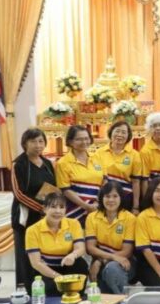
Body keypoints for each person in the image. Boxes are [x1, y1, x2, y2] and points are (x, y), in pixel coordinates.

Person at [11, 127, 56, 287]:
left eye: (41, 141)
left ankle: (46, 288)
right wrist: (41, 208)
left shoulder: (48, 164)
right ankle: (25, 289)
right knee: (26, 255)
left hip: (46, 217)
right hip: (26, 217)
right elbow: (18, 193)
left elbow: (54, 188)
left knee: (44, 253)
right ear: (25, 143)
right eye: (33, 142)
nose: (38, 145)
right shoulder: (19, 164)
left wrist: (51, 209)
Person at [25, 192, 91, 295]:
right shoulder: (32, 230)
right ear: (44, 209)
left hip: (68, 265)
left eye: (61, 207)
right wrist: (59, 278)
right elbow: (36, 263)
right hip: (46, 270)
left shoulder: (74, 224)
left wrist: (72, 255)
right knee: (51, 291)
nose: (58, 211)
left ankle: (78, 296)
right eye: (53, 207)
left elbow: (80, 248)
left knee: (80, 264)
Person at [85, 181, 137, 294]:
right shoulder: (92, 217)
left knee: (112, 269)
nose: (111, 200)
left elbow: (127, 251)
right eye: (107, 196)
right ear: (101, 198)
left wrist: (101, 261)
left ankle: (122, 300)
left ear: (121, 198)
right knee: (104, 294)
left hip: (124, 261)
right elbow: (90, 248)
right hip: (101, 262)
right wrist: (103, 260)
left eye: (115, 196)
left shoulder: (130, 218)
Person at [55, 124, 104, 225]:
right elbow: (65, 190)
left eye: (86, 138)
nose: (84, 142)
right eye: (79, 139)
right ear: (70, 141)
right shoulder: (63, 163)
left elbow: (104, 181)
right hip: (74, 211)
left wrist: (98, 202)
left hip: (97, 208)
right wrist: (86, 206)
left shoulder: (97, 157)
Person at [93, 121, 141, 211]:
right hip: (105, 197)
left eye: (123, 132)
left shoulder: (134, 155)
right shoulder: (99, 153)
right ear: (111, 132)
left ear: (128, 136)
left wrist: (135, 206)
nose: (120, 135)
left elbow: (136, 182)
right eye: (117, 131)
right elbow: (97, 178)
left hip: (125, 197)